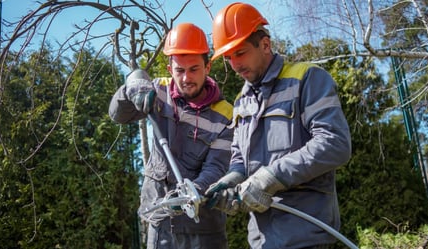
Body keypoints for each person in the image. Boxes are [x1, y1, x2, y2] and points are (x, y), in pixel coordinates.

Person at [204, 2, 352, 249]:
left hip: (307, 234)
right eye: (228, 57)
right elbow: (241, 159)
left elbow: (335, 143)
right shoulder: (242, 101)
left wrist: (270, 177)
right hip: (262, 239)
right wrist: (231, 180)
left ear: (265, 44)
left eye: (240, 53)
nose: (234, 65)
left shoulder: (308, 78)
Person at [108, 23, 233, 249]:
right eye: (180, 71)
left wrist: (191, 192)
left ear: (208, 67)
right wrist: (131, 86)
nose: (186, 78)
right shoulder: (157, 92)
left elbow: (216, 168)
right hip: (160, 223)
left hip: (203, 230)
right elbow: (118, 115)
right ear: (169, 69)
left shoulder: (225, 115)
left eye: (194, 69)